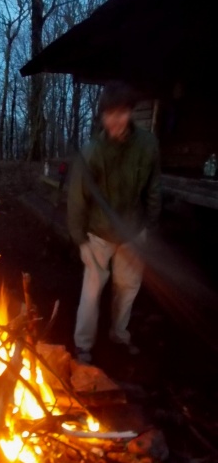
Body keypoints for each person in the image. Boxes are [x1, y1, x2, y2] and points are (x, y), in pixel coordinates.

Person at [67, 80, 161, 364]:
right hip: (98, 233)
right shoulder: (92, 152)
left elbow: (154, 188)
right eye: (109, 114)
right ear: (103, 115)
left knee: (127, 288)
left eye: (121, 113)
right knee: (91, 292)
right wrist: (80, 240)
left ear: (131, 112)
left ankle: (119, 334)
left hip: (133, 232)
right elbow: (76, 199)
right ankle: (84, 346)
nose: (115, 120)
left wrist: (149, 228)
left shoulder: (147, 145)